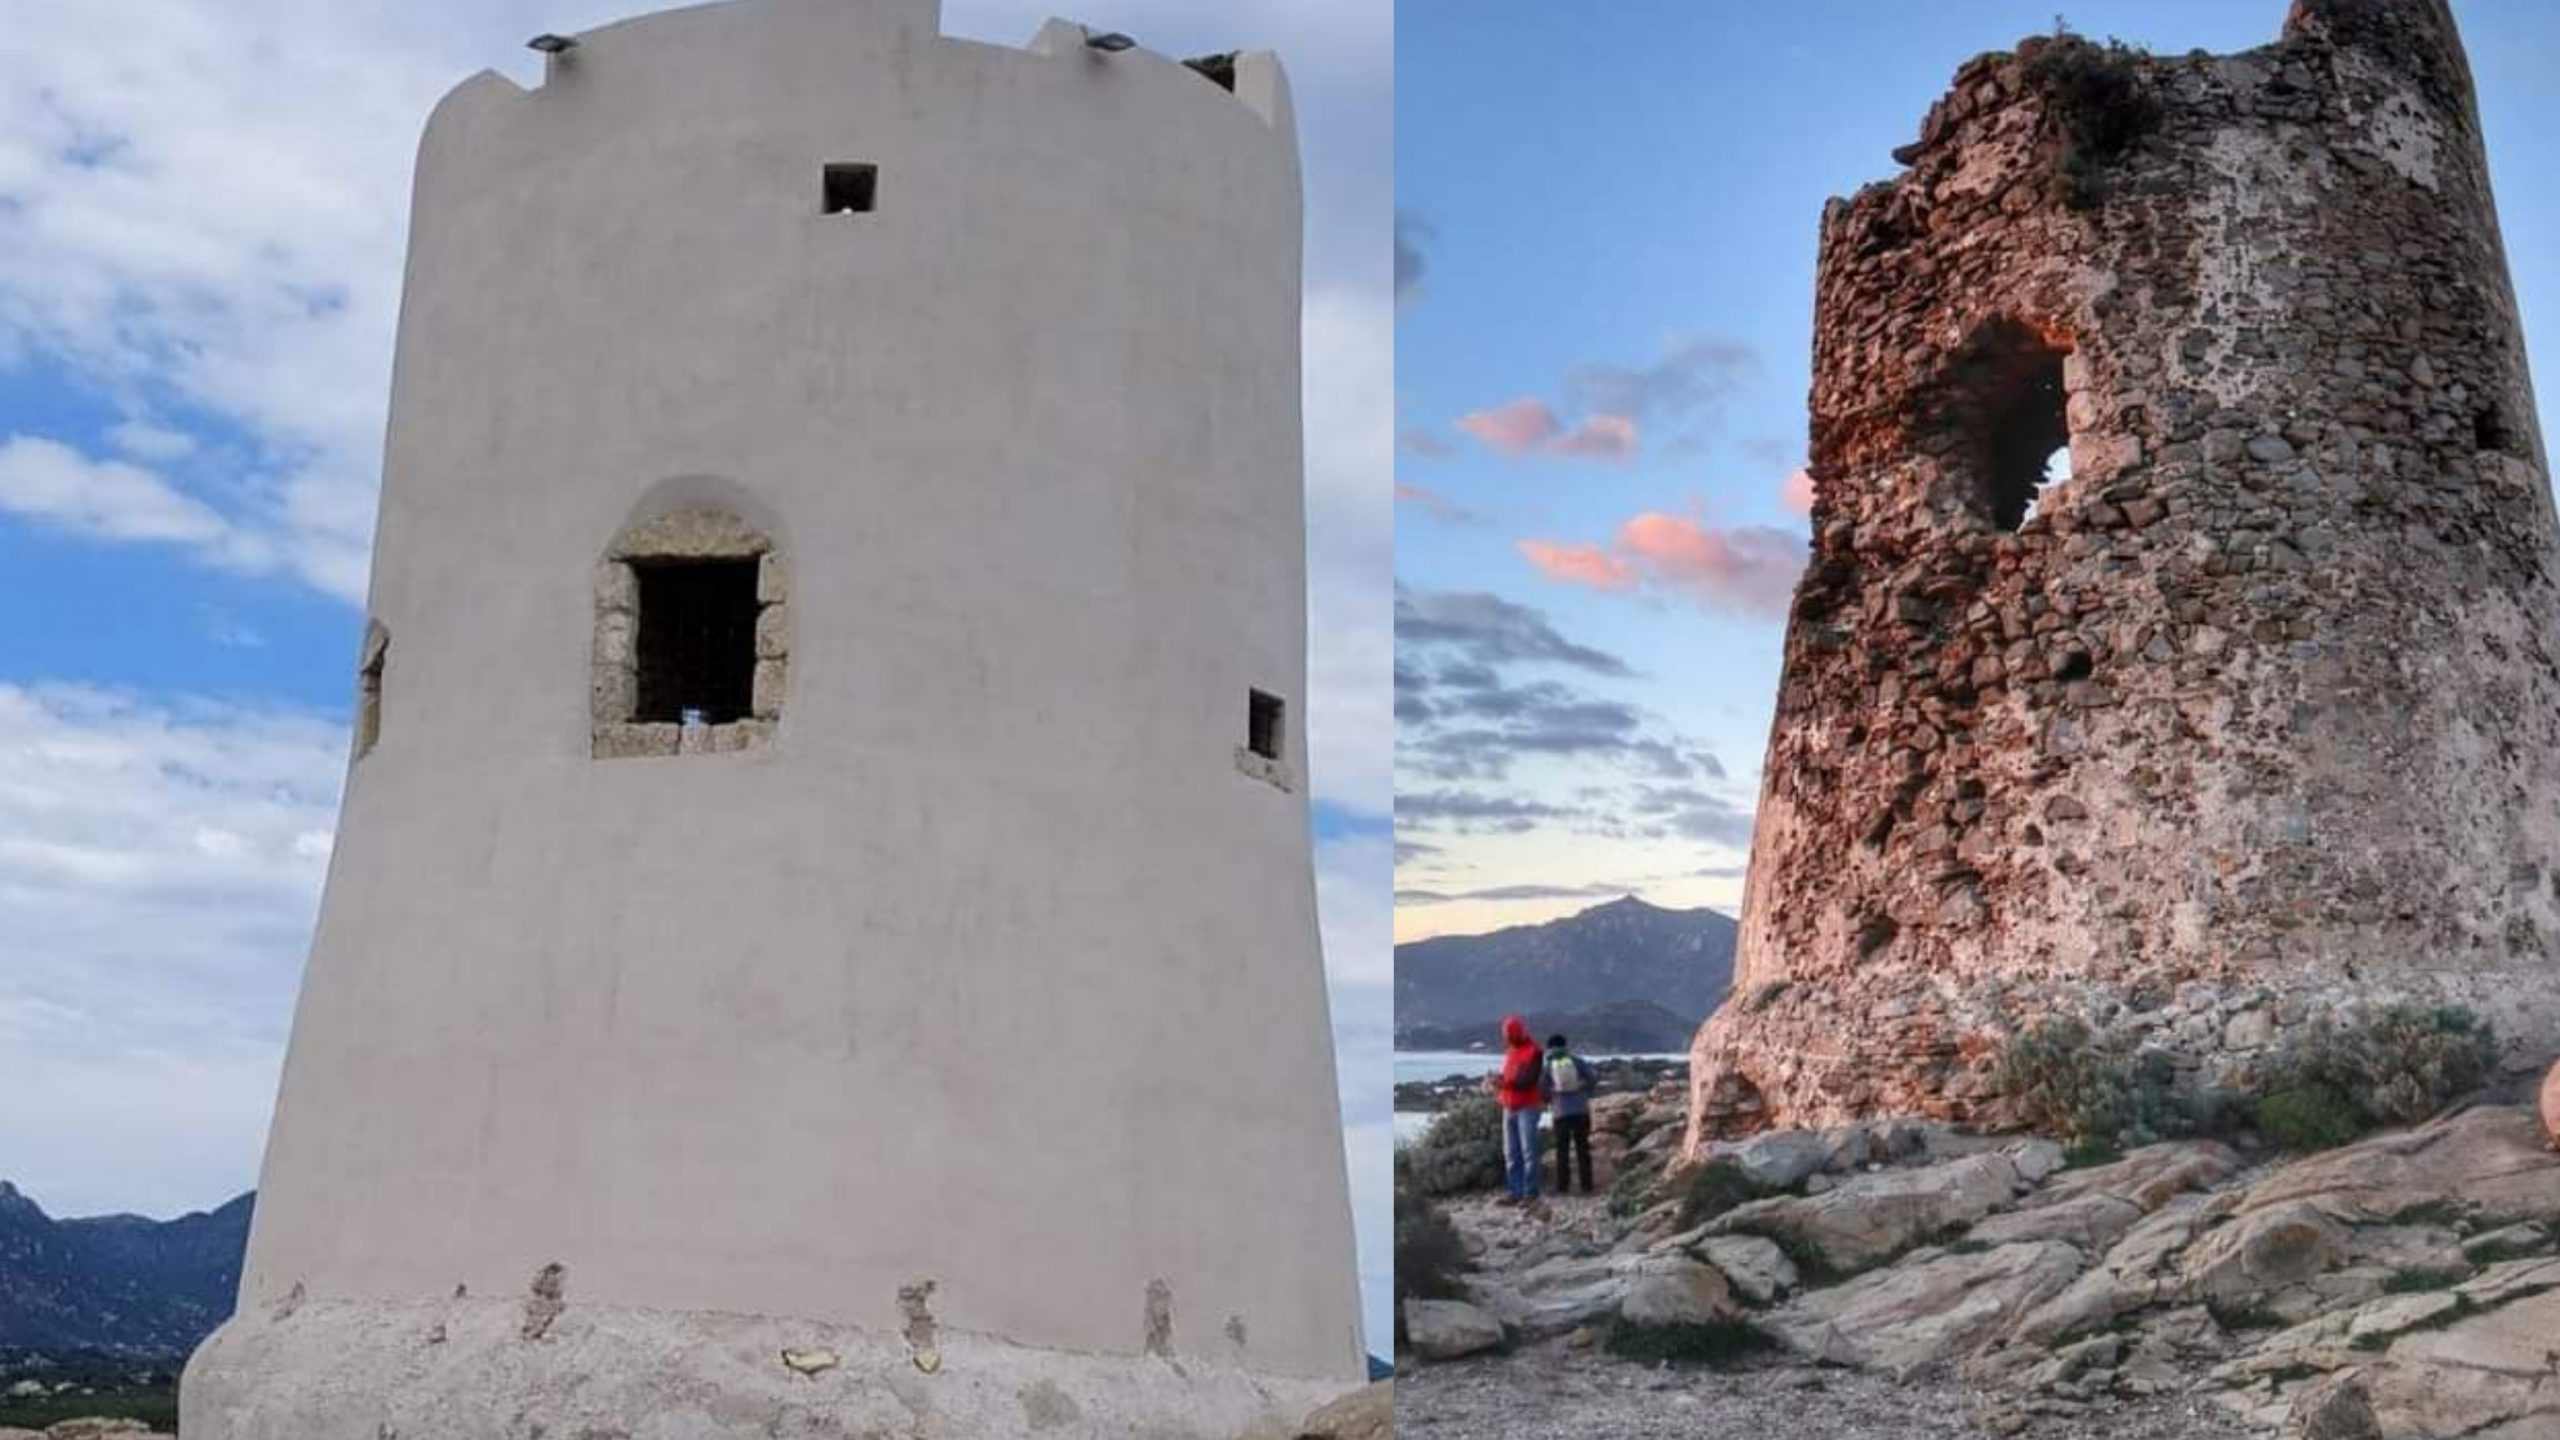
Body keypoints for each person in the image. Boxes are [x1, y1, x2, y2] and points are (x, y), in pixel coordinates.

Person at [1491, 1015, 1547, 1203]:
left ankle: (1531, 1193)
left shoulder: (1535, 1052)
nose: (1507, 1039)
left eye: (1509, 1035)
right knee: (1511, 1152)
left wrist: (1503, 1083)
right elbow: (1511, 1077)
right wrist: (1498, 1080)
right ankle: (1515, 1192)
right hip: (1508, 1106)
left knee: (1528, 1151)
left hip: (1527, 1106)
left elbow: (1528, 1081)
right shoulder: (1510, 1052)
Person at [1544, 1034, 1597, 1195]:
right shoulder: (1576, 1060)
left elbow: (1542, 1087)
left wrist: (1552, 1095)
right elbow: (1592, 1077)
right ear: (1565, 1045)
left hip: (1560, 1113)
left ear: (1549, 1047)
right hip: (1580, 1110)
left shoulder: (1548, 1064)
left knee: (1562, 1150)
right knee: (1583, 1148)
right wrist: (1583, 1088)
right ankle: (1587, 1186)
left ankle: (1563, 1187)